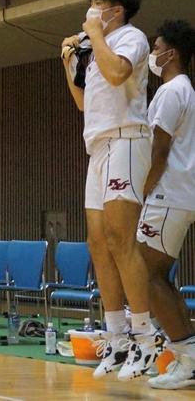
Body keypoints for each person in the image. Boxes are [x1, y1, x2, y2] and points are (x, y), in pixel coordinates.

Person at [60, 0, 157, 380]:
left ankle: (146, 339)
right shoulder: (95, 51)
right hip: (98, 147)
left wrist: (96, 35)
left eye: (97, 6)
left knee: (121, 238)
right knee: (97, 243)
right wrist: (67, 63)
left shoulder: (131, 38)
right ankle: (116, 338)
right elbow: (84, 102)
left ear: (115, 10)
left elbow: (118, 74)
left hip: (127, 140)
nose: (90, 13)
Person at [136, 20, 195, 391]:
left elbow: (159, 149)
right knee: (159, 275)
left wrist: (142, 191)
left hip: (167, 194)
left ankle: (186, 360)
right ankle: (188, 354)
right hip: (177, 195)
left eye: (156, 48)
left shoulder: (174, 90)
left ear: (170, 53)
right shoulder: (183, 89)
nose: (152, 54)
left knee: (145, 273)